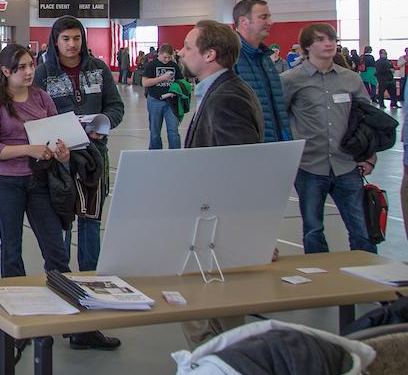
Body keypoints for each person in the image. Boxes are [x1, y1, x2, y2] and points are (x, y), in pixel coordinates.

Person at [35, 15, 123, 350]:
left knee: (90, 229)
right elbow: (36, 111)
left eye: (77, 38)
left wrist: (104, 124)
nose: (72, 44)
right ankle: (64, 305)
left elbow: (114, 107)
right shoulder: (43, 74)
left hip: (94, 160)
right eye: (66, 39)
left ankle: (90, 316)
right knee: (62, 233)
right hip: (59, 163)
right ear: (55, 42)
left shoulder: (99, 70)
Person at [179, 20, 263, 347]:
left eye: (188, 47)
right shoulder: (216, 90)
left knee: (209, 310)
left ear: (210, 54)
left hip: (219, 224)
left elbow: (239, 167)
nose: (183, 53)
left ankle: (218, 371)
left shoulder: (227, 96)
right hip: (211, 218)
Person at [282, 23, 377, 255]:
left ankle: (369, 280)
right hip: (309, 166)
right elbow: (279, 118)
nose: (329, 43)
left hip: (347, 165)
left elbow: (367, 119)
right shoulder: (290, 80)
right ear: (306, 47)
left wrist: (369, 156)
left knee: (362, 230)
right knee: (313, 230)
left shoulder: (351, 79)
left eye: (332, 38)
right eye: (320, 39)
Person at [0, 43, 69, 278]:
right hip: (6, 182)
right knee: (11, 249)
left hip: (40, 180)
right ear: (6, 71)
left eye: (31, 65)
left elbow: (57, 132)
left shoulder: (42, 97)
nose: (29, 72)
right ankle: (14, 301)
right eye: (21, 67)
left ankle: (64, 294)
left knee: (55, 248)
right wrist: (29, 149)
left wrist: (62, 152)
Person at [232, 0, 292, 143]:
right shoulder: (230, 59)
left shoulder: (265, 59)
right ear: (244, 21)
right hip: (250, 150)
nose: (270, 22)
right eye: (264, 17)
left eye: (269, 17)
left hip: (275, 148)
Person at [141, 44, 184, 150]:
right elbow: (145, 83)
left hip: (171, 102)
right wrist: (162, 78)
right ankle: (155, 154)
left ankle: (175, 155)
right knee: (155, 131)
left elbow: (180, 81)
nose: (167, 59)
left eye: (169, 57)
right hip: (155, 101)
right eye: (165, 57)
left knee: (173, 131)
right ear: (159, 54)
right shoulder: (151, 65)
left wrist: (176, 89)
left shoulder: (174, 65)